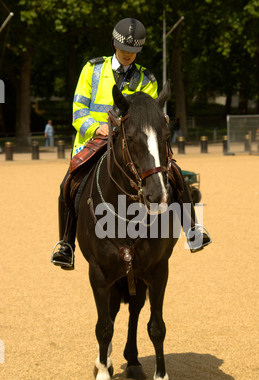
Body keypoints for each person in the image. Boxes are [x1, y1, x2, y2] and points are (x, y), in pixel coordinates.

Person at [51, 18, 211, 270]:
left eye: (134, 51)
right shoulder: (91, 70)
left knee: (176, 174)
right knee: (67, 185)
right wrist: (96, 127)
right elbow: (78, 110)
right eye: (125, 49)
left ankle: (192, 229)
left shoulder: (147, 78)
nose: (128, 55)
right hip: (94, 143)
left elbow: (152, 113)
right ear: (114, 44)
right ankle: (66, 244)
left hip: (133, 144)